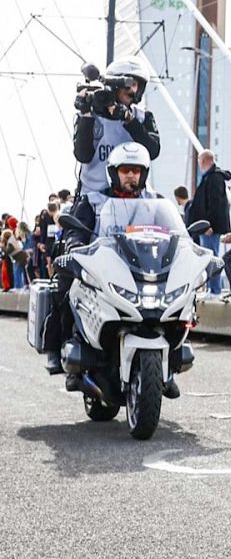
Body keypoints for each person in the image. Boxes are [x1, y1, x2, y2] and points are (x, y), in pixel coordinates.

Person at [44, 56, 159, 375]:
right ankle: (56, 344)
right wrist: (85, 114)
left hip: (133, 200)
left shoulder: (142, 116)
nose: (133, 91)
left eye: (137, 86)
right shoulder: (91, 113)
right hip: (92, 202)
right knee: (68, 271)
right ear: (115, 84)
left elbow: (153, 149)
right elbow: (82, 153)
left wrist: (127, 118)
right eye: (128, 85)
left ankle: (166, 355)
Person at [190, 150, 231, 296]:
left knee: (211, 257)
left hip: (209, 227)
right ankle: (211, 288)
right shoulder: (210, 177)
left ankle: (215, 290)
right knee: (208, 257)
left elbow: (216, 204)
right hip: (206, 226)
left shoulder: (214, 178)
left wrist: (209, 225)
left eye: (199, 161)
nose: (198, 164)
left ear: (204, 161)